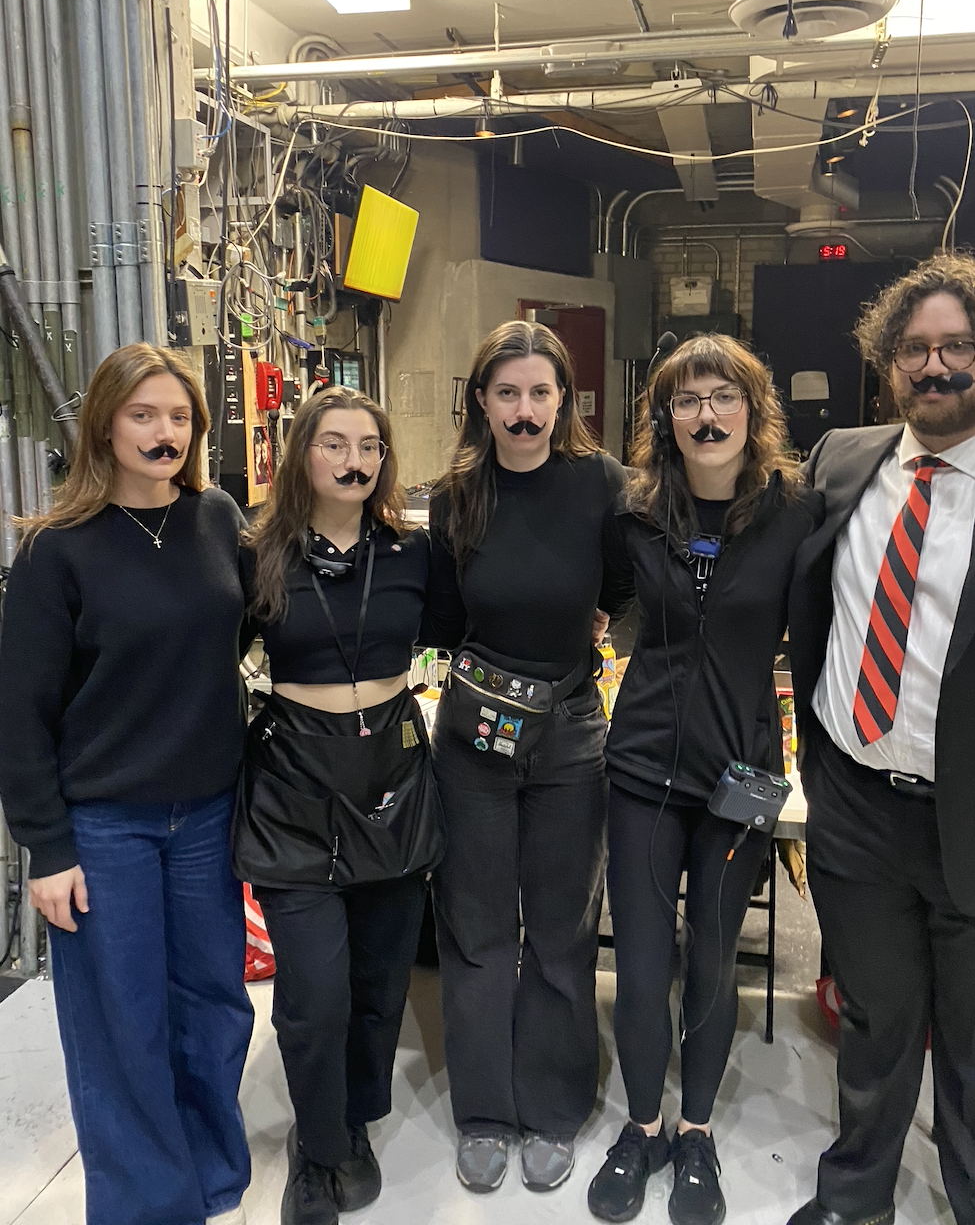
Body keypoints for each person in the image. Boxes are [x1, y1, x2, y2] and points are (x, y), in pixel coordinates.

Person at [787, 254, 975, 1225]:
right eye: (913, 348)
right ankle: (855, 1197)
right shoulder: (840, 461)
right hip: (856, 809)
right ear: (886, 361)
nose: (933, 366)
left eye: (956, 348)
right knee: (872, 1024)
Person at [0, 345, 253, 1225]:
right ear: (105, 422)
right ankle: (151, 1204)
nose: (165, 433)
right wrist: (48, 847)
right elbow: (20, 713)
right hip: (106, 826)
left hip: (209, 815)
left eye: (179, 417)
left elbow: (263, 622)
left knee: (216, 1005)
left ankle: (213, 1174)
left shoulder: (217, 518)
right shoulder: (55, 552)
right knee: (122, 1022)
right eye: (145, 415)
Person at [588, 334, 820, 1225]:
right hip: (643, 767)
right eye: (688, 399)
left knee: (713, 968)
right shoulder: (638, 510)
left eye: (724, 396)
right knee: (643, 971)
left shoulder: (795, 509)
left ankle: (696, 1134)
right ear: (665, 416)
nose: (707, 414)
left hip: (741, 779)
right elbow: (599, 605)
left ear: (753, 412)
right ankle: (641, 1129)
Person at [235, 386, 448, 1225]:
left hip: (392, 777)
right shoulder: (259, 553)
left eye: (368, 446)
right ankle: (316, 1149)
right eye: (334, 444)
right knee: (314, 994)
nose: (353, 460)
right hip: (295, 784)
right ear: (302, 455)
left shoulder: (412, 552)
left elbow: (474, 626)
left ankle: (354, 1123)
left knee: (378, 982)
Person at [426, 320, 626, 1194]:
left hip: (572, 731)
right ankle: (483, 1109)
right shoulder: (456, 495)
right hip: (473, 735)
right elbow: (437, 617)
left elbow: (623, 593)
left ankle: (551, 1104)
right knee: (475, 928)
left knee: (560, 927)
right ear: (481, 403)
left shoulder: (601, 485)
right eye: (506, 392)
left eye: (541, 392)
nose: (524, 409)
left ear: (563, 402)